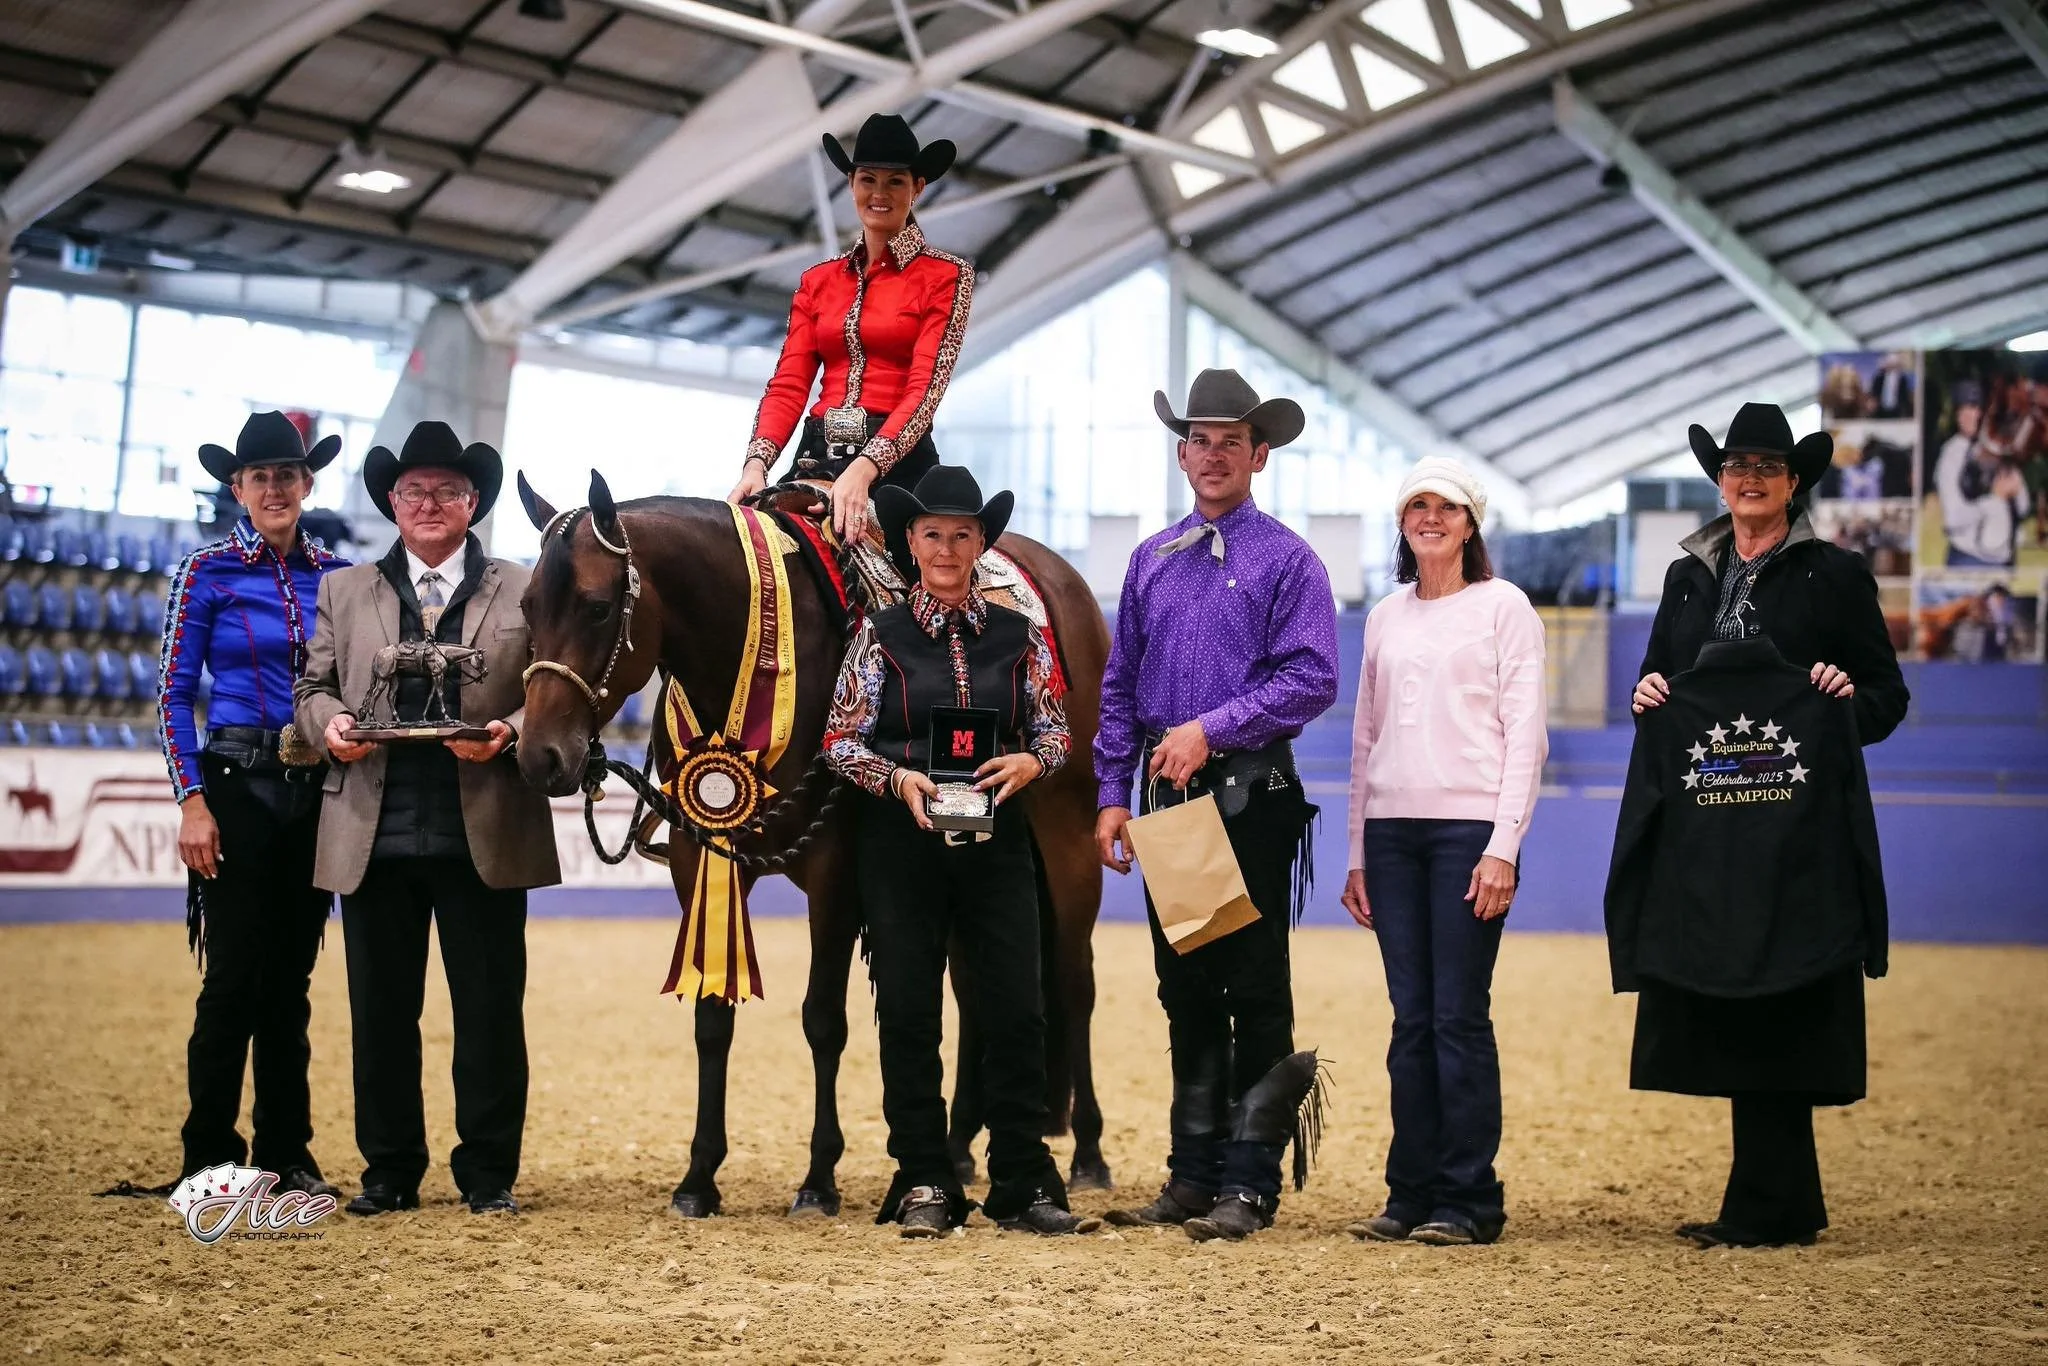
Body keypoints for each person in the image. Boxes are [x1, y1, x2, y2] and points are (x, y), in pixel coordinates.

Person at [1621, 401, 1908, 1249]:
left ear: (1793, 484)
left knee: (1784, 993)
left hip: (1798, 831)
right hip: (1710, 833)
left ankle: (1768, 1203)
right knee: (1740, 992)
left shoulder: (1836, 574)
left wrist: (1843, 703)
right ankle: (1775, 1200)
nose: (1749, 479)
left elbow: (1887, 698)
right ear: (1720, 480)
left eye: (1767, 468)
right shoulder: (1687, 577)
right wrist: (1646, 700)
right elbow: (1656, 683)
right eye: (1736, 466)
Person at [1095, 369, 1340, 1243]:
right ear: (1181, 451)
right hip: (1166, 804)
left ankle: (1252, 1184)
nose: (1212, 454)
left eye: (1229, 441)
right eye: (1198, 439)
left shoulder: (1290, 560)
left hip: (1250, 798)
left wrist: (1212, 727)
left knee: (1256, 988)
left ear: (1259, 455)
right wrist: (1108, 797)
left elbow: (1312, 677)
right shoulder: (1149, 559)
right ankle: (1193, 1178)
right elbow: (1120, 685)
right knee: (1185, 988)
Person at [821, 466, 1097, 1238]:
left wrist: (1033, 761)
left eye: (962, 534)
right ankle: (925, 1179)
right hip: (902, 839)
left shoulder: (1022, 635)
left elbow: (1051, 727)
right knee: (907, 1011)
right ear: (910, 542)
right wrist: (897, 776)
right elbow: (841, 741)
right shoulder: (877, 635)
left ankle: (1022, 1179)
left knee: (1016, 1007)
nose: (946, 548)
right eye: (932, 534)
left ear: (982, 544)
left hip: (998, 834)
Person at [293, 420, 560, 1217]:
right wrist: (330, 726)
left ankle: (488, 1176)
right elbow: (312, 689)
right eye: (414, 492)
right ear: (392, 504)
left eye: (447, 489)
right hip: (370, 836)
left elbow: (553, 685)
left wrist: (510, 731)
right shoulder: (344, 590)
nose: (430, 503)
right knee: (380, 1016)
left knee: (488, 1014)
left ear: (472, 501)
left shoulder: (527, 587)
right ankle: (390, 1172)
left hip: (483, 829)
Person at [1339, 456, 1547, 1247]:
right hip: (1392, 837)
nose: (1431, 517)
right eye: (1416, 506)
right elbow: (1366, 737)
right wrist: (1358, 849)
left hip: (1468, 836)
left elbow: (1525, 734)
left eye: (1447, 507)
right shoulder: (1386, 617)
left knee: (1458, 1018)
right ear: (1402, 521)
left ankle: (1468, 1199)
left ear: (1470, 523)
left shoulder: (1506, 608)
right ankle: (1410, 1192)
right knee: (1410, 1021)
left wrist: (1504, 847)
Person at [158, 410, 348, 1197]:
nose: (275, 487)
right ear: (237, 487)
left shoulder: (340, 575)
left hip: (314, 794)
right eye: (259, 475)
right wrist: (192, 801)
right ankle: (208, 1149)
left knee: (290, 981)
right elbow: (173, 694)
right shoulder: (204, 571)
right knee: (232, 976)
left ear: (307, 483)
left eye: (288, 474)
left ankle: (284, 1150)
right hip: (234, 787)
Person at [728, 113, 973, 541]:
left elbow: (925, 390)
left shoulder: (947, 276)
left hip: (901, 464)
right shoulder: (816, 281)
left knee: (931, 574)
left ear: (918, 188)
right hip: (815, 454)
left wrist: (865, 468)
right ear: (851, 184)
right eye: (868, 179)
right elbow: (789, 384)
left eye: (895, 181)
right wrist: (756, 464)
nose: (879, 193)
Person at [1933, 380, 2030, 567]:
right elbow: (1953, 519)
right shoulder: (1951, 455)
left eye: (1978, 408)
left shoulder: (1999, 447)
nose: (1973, 415)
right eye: (1966, 409)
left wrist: (2016, 490)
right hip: (1969, 560)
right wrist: (1995, 498)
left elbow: (2024, 508)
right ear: (1957, 414)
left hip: (2005, 561)